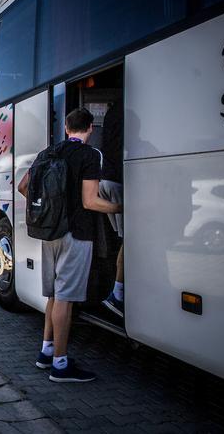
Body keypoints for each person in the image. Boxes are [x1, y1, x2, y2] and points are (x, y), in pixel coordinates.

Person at [17, 108, 122, 383]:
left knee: (53, 295)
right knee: (65, 298)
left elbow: (23, 186)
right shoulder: (89, 156)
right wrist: (119, 207)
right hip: (76, 234)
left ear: (66, 127)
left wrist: (51, 209)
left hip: (49, 232)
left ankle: (46, 352)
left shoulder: (48, 152)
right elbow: (90, 202)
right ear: (89, 129)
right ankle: (61, 365)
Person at [98, 102, 125, 318]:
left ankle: (115, 285)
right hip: (117, 181)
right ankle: (117, 294)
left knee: (120, 239)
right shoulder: (128, 109)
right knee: (129, 240)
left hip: (105, 180)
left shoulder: (110, 115)